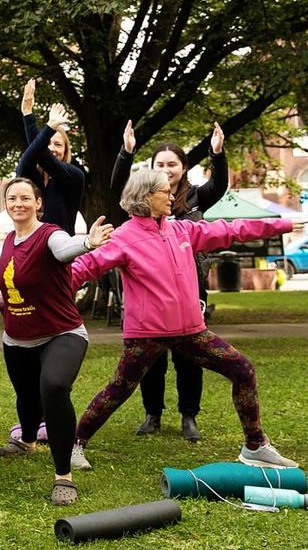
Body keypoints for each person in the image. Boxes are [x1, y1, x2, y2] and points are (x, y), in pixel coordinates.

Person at [70, 169, 299, 471]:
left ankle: (255, 445)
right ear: (146, 196)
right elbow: (81, 269)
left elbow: (230, 230)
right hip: (146, 334)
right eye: (165, 191)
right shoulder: (123, 237)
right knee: (119, 389)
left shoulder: (182, 230)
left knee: (242, 369)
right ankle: (74, 444)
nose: (172, 196)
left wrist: (281, 224)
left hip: (192, 331)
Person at [0, 178, 111, 505]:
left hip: (61, 332)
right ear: (6, 204)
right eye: (12, 198)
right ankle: (26, 440)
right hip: (17, 338)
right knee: (27, 398)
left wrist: (88, 243)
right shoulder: (11, 239)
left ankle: (63, 475)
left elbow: (64, 250)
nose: (18, 203)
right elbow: (2, 268)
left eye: (26, 198)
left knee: (52, 387)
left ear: (39, 203)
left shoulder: (50, 234)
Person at [110, 121, 228, 442]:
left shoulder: (195, 198)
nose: (166, 169)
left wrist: (217, 154)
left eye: (172, 164)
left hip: (189, 291)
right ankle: (153, 414)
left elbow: (218, 186)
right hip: (151, 291)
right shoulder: (142, 201)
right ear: (151, 169)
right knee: (152, 358)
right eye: (160, 165)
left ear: (183, 167)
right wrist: (126, 151)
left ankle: (189, 416)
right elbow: (118, 183)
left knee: (190, 356)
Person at [17, 81, 85, 233]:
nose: (52, 149)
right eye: (47, 143)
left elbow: (45, 159)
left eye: (58, 144)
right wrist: (27, 113)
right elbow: (28, 159)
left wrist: (31, 119)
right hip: (30, 250)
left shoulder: (74, 176)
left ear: (66, 150)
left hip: (60, 252)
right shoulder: (30, 176)